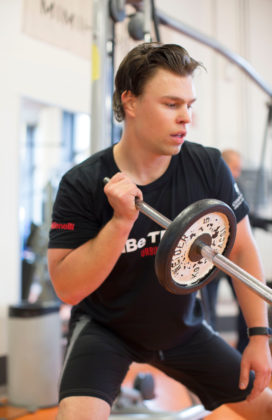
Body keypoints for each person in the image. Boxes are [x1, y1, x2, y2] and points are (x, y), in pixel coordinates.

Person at [48, 43, 272, 420]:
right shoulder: (82, 183)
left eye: (189, 105)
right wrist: (120, 223)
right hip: (106, 330)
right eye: (172, 105)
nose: (186, 117)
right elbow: (68, 288)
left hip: (182, 328)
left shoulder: (207, 166)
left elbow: (242, 251)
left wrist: (259, 337)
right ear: (130, 103)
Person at [205, 149, 272, 352]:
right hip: (213, 259)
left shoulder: (236, 184)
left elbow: (242, 215)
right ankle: (211, 351)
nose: (238, 173)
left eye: (239, 169)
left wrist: (260, 221)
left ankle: (245, 347)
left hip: (235, 258)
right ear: (225, 167)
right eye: (234, 168)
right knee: (209, 313)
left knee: (247, 302)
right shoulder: (209, 185)